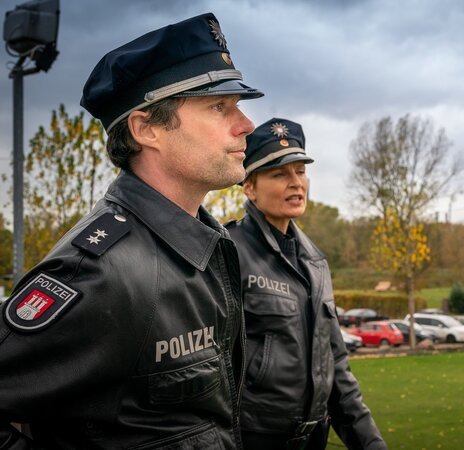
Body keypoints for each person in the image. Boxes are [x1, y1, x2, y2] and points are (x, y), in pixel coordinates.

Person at [0, 13, 263, 448]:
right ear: (146, 129)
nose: (246, 125)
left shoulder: (206, 243)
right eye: (219, 107)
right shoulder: (98, 272)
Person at [226, 118, 387, 450]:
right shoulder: (227, 252)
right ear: (250, 186)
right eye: (279, 173)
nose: (295, 183)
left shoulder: (316, 262)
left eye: (300, 171)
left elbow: (337, 368)